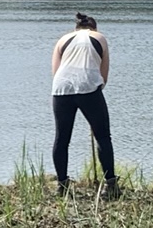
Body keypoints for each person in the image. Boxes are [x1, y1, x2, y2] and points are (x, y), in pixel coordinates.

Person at [50, 13, 118, 198]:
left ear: (76, 28)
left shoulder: (62, 40)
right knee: (103, 136)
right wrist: (92, 95)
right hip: (89, 88)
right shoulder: (99, 38)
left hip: (61, 89)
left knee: (62, 138)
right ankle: (110, 185)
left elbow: (56, 71)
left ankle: (62, 185)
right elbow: (103, 76)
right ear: (94, 28)